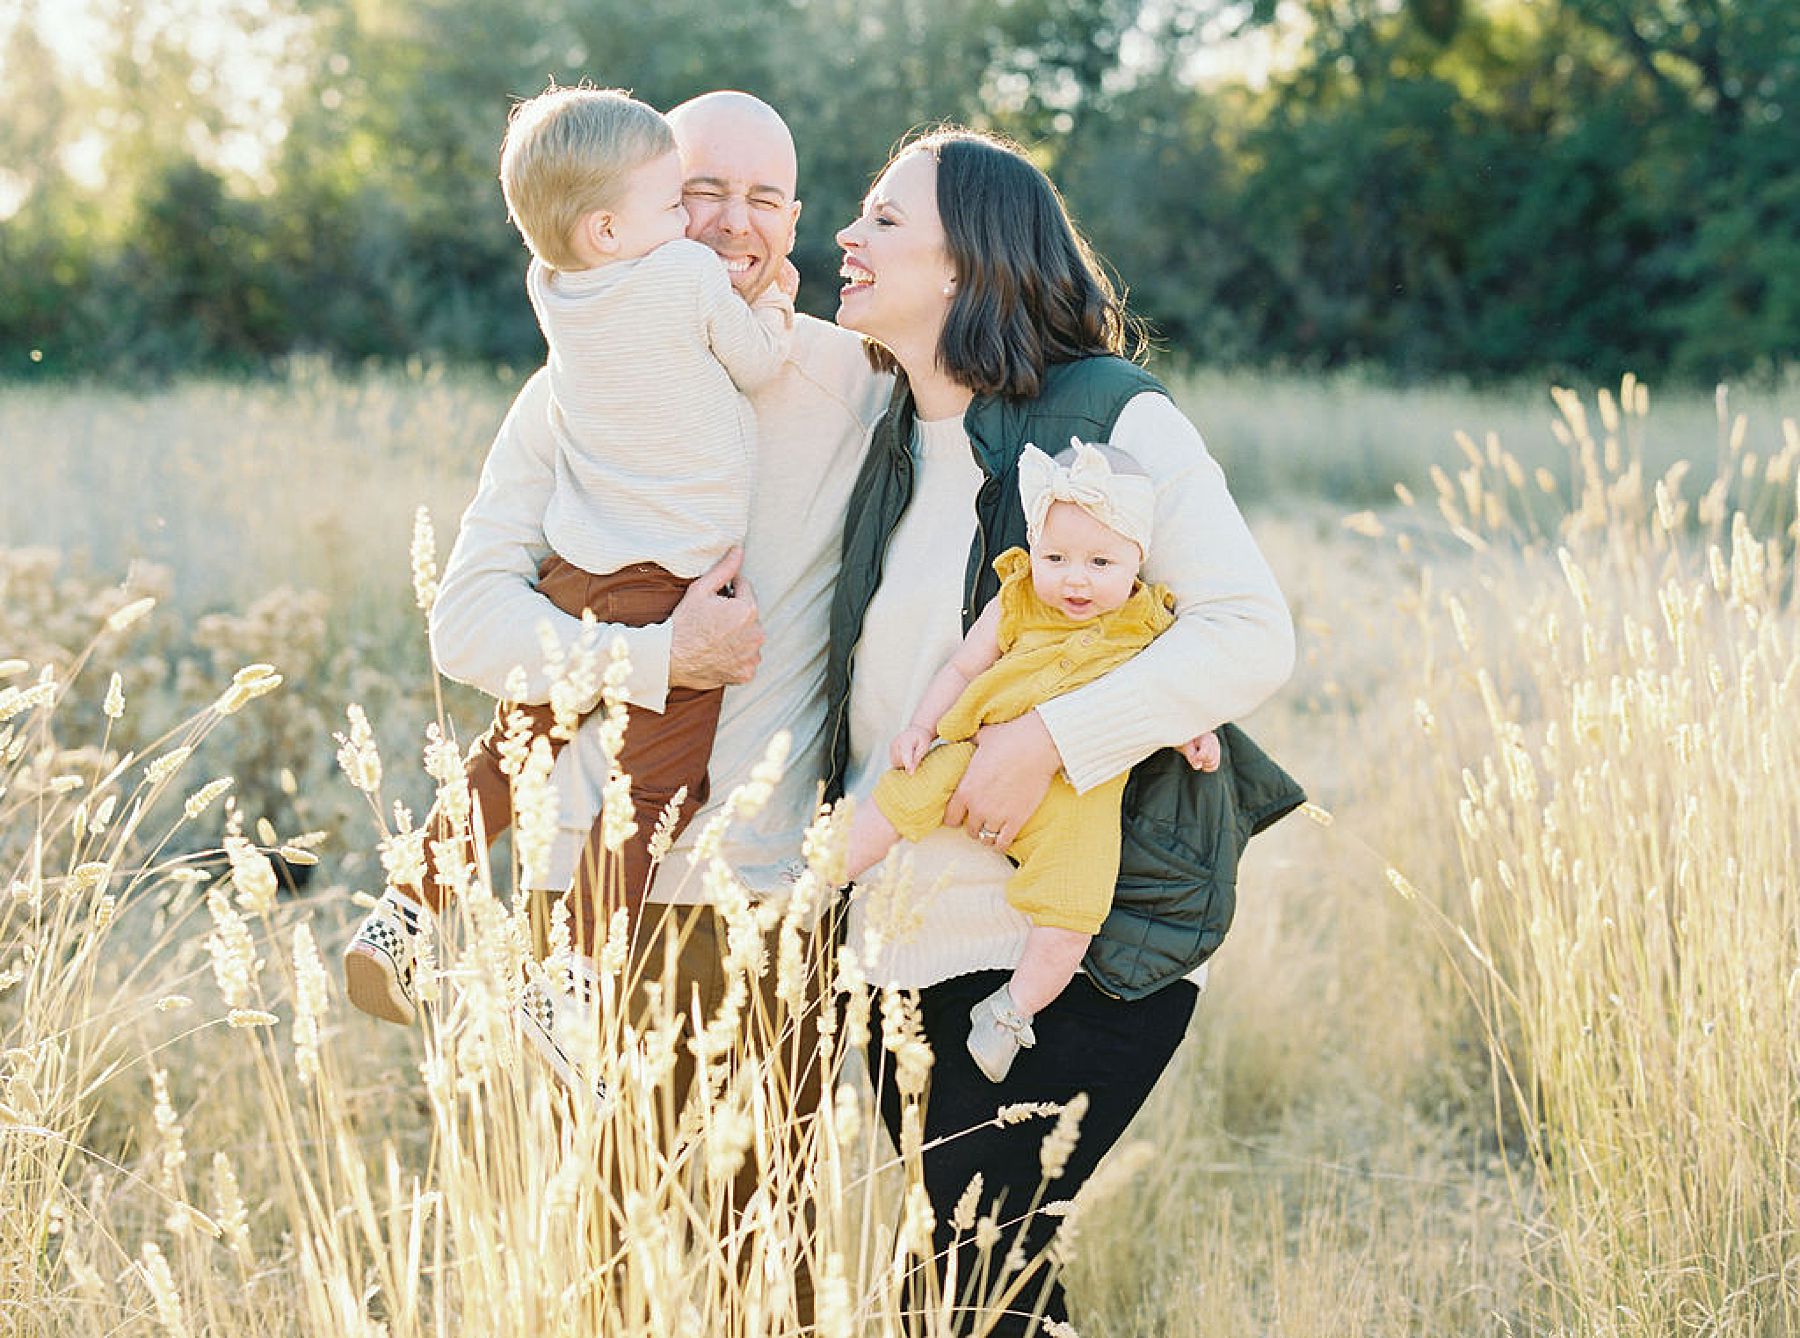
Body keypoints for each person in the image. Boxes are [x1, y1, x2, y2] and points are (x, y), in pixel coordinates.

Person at [825, 127, 1294, 1333]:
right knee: (997, 1281)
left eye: (883, 218)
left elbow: (1248, 632)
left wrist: (1052, 739)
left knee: (968, 1280)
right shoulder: (877, 434)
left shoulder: (1107, 417)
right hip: (900, 938)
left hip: (1062, 943)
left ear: (966, 262)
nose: (848, 237)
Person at [343, 86, 799, 1044]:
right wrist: (658, 659)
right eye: (690, 193)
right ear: (614, 222)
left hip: (774, 894)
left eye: (762, 199)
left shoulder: (562, 298)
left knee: (505, 756)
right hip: (588, 856)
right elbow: (464, 626)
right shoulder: (582, 373)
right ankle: (577, 979)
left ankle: (406, 909)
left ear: (795, 216)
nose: (710, 223)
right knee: (656, 786)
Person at [844, 439, 1222, 1084]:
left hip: (1081, 796)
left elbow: (1171, 685)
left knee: (1073, 911)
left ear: (1138, 558)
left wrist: (1195, 730)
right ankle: (823, 869)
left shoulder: (1149, 624)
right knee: (900, 795)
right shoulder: (1018, 598)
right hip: (977, 750)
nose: (1075, 578)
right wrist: (918, 726)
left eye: (1100, 561)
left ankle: (1010, 1014)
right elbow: (966, 664)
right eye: (1057, 557)